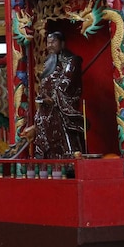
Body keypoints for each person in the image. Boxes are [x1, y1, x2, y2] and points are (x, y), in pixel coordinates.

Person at [30, 31, 86, 159]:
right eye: (48, 42)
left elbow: (67, 81)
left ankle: (71, 161)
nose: (50, 45)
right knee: (43, 131)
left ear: (62, 43)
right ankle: (47, 159)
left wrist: (54, 99)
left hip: (62, 107)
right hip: (46, 108)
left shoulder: (72, 60)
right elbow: (44, 82)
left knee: (66, 134)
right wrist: (42, 97)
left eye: (53, 42)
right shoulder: (48, 62)